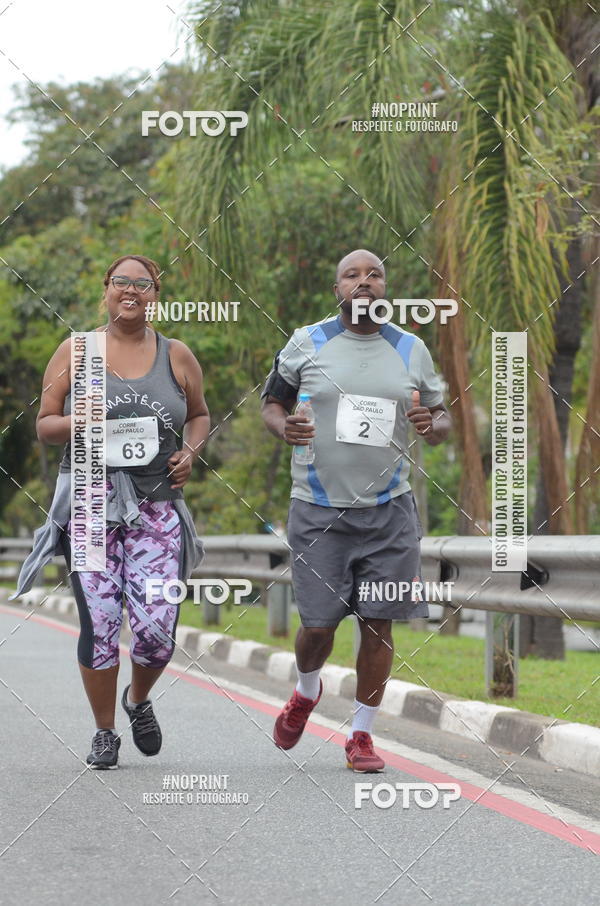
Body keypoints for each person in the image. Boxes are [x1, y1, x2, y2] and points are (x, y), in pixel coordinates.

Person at [12, 255, 209, 769]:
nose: (131, 290)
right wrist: (82, 419)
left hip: (158, 506)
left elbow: (201, 415)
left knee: (157, 629)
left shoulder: (177, 355)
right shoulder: (78, 351)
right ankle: (104, 731)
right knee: (99, 622)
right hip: (91, 504)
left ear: (155, 295)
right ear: (106, 290)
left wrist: (189, 452)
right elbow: (44, 424)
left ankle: (138, 699)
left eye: (142, 284)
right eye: (121, 281)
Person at [261, 248, 451, 772]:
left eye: (374, 275)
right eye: (352, 275)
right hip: (318, 511)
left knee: (378, 626)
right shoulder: (307, 341)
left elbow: (441, 417)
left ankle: (361, 736)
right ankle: (305, 691)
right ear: (337, 290)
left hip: (390, 511)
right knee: (318, 628)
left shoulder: (410, 348)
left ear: (385, 289)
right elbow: (272, 404)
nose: (364, 282)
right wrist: (285, 428)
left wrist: (433, 427)